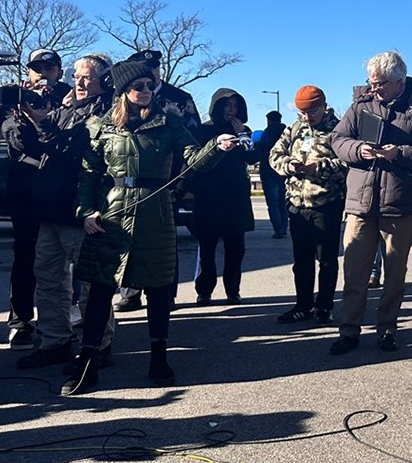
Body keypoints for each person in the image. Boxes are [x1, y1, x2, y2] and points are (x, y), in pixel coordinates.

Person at [62, 59, 236, 396]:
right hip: (111, 212)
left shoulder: (169, 123)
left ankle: (159, 356)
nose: (145, 91)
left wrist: (217, 147)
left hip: (156, 212)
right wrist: (85, 211)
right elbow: (88, 175)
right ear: (123, 91)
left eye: (148, 86)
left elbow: (193, 161)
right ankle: (88, 361)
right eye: (137, 86)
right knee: (100, 288)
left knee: (158, 288)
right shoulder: (101, 127)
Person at [331, 51, 412, 354]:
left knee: (395, 273)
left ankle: (387, 328)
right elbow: (337, 140)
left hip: (399, 204)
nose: (374, 88)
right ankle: (349, 330)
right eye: (371, 82)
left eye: (380, 84)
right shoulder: (360, 106)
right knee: (355, 272)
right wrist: (358, 149)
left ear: (399, 82)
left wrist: (401, 153)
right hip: (360, 203)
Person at [14, 55, 102, 370]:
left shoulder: (103, 113)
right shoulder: (64, 108)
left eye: (88, 77)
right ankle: (55, 341)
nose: (80, 83)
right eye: (77, 76)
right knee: (48, 278)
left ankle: (98, 344)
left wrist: (42, 123)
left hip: (79, 210)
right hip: (49, 208)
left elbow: (72, 155)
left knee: (91, 281)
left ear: (102, 81)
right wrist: (25, 118)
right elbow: (37, 150)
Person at [114, 48, 202, 313]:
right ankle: (130, 292)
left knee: (163, 240)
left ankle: (166, 292)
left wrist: (182, 182)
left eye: (152, 69)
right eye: (142, 69)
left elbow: (193, 140)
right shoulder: (123, 96)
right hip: (128, 181)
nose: (149, 74)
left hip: (167, 180)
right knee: (128, 235)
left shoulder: (178, 98)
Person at [268, 86, 347, 325]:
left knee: (327, 259)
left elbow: (347, 163)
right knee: (301, 260)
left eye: (311, 111)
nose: (306, 117)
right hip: (296, 203)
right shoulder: (294, 129)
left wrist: (319, 168)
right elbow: (274, 155)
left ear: (323, 105)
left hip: (326, 203)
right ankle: (303, 305)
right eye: (302, 112)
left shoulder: (339, 129)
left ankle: (324, 306)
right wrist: (288, 165)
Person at [187, 88, 258, 305]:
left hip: (235, 197)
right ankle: (204, 290)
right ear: (217, 106)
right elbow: (194, 160)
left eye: (235, 106)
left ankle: (233, 290)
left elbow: (252, 156)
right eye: (227, 105)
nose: (232, 110)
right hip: (209, 196)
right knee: (207, 249)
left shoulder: (243, 130)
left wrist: (244, 134)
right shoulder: (203, 130)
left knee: (236, 249)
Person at [0, 86, 58, 349]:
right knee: (25, 257)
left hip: (59, 192)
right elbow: (21, 143)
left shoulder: (66, 102)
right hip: (25, 194)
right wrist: (35, 118)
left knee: (62, 259)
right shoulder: (15, 104)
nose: (43, 74)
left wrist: (54, 112)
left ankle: (60, 323)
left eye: (50, 67)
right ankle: (21, 322)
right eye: (37, 70)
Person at [257, 111, 289, 239]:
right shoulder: (286, 134)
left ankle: (278, 229)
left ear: (269, 120)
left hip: (268, 171)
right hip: (284, 171)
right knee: (283, 202)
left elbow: (258, 152)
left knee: (273, 203)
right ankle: (284, 227)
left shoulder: (265, 135)